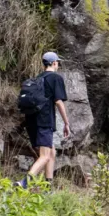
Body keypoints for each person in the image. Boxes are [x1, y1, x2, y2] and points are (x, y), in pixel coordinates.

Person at [17, 52, 70, 189]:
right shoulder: (55, 78)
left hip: (32, 120)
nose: (58, 65)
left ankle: (48, 186)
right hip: (45, 120)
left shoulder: (38, 78)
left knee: (51, 152)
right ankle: (24, 183)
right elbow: (58, 102)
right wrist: (66, 122)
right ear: (53, 63)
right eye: (57, 62)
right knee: (45, 156)